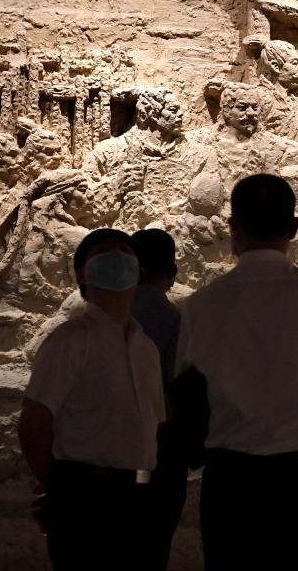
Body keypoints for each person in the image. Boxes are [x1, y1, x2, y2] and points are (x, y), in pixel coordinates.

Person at [174, 173, 298, 570]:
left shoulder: (200, 305)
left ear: (233, 227)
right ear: (294, 228)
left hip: (234, 483)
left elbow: (188, 388)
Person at [17, 228, 166, 571]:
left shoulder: (146, 348)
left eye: (125, 249)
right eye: (102, 251)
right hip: (86, 496)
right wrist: (62, 488)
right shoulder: (70, 339)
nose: (116, 255)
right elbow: (35, 420)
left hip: (141, 491)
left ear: (139, 270)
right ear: (82, 273)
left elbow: (154, 423)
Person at [131, 228, 185, 570]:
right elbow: (175, 386)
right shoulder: (172, 319)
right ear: (171, 270)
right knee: (153, 544)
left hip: (108, 446)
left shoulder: (102, 313)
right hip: (156, 449)